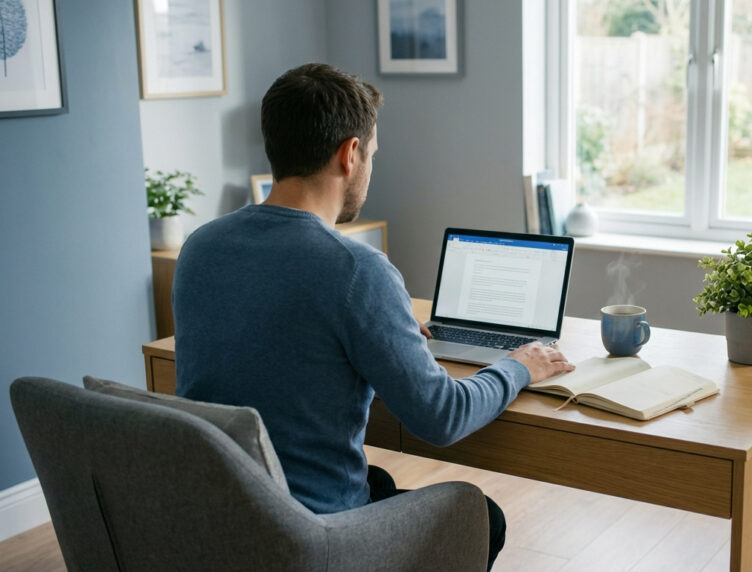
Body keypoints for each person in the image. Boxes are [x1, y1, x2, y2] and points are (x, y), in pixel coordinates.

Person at [172, 62, 575, 570]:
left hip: (218, 520)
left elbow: (277, 344)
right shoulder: (355, 269)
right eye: (373, 155)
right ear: (350, 154)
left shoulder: (200, 248)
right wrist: (521, 365)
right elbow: (441, 416)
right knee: (481, 513)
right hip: (309, 534)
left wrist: (388, 330)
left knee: (379, 482)